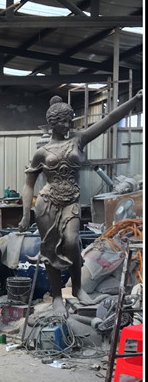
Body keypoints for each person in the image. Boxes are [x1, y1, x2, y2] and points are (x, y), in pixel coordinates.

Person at [18, 90, 143, 314]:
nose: (68, 125)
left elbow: (109, 119)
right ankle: (57, 297)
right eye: (63, 122)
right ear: (52, 123)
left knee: (71, 241)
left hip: (71, 202)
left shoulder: (79, 140)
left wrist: (134, 100)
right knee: (49, 249)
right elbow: (29, 184)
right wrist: (26, 214)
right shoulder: (41, 152)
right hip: (47, 204)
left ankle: (77, 288)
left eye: (70, 121)